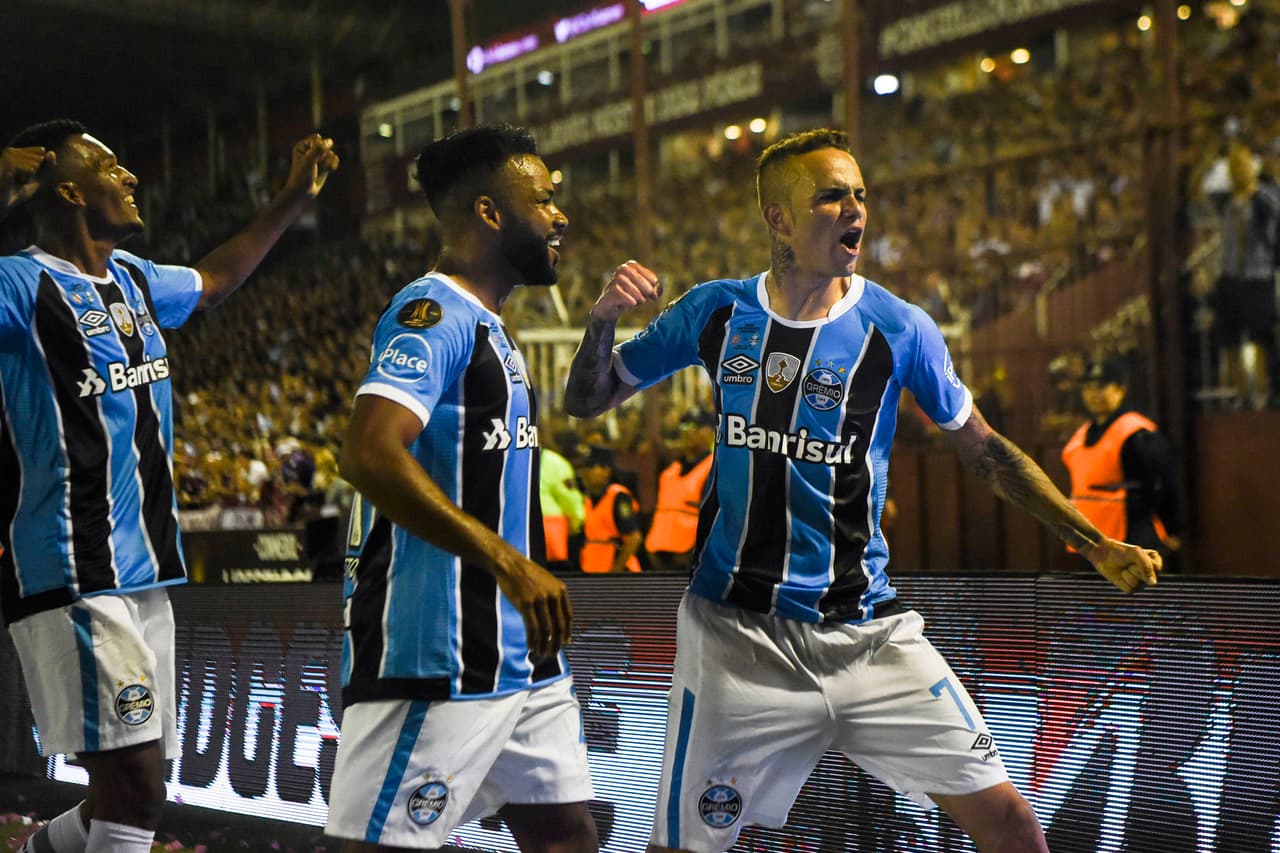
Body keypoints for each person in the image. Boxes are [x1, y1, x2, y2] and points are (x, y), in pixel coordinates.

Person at [564, 128, 1161, 853]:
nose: (855, 209)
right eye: (831, 195)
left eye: (860, 194)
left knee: (1010, 823)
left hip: (869, 635)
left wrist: (1092, 540)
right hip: (735, 638)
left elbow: (989, 455)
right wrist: (601, 319)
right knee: (681, 848)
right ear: (779, 219)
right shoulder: (715, 312)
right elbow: (588, 399)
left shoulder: (899, 328)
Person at [0, 120, 338, 853]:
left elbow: (215, 282)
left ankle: (32, 849)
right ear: (67, 191)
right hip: (72, 566)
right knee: (139, 785)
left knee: (131, 787)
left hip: (147, 567)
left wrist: (287, 200)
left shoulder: (134, 281)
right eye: (111, 167)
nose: (130, 178)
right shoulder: (18, 284)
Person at [324, 124, 597, 853]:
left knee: (568, 835)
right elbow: (369, 452)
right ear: (488, 212)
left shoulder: (491, 326)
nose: (559, 214)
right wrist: (509, 561)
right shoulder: (433, 312)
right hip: (437, 651)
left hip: (523, 655)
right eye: (542, 199)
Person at [1063, 358, 1183, 562]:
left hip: (1132, 538)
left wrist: (1173, 529)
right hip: (1089, 543)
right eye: (1088, 388)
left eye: (1101, 387)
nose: (1094, 394)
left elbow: (1165, 484)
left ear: (1120, 389)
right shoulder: (1081, 435)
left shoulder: (1136, 433)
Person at [1212, 140, 1280, 408]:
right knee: (1230, 340)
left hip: (1257, 278)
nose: (1236, 171)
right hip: (1229, 278)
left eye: (1241, 164)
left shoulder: (1265, 197)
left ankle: (1265, 392)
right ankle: (1240, 395)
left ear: (1252, 167)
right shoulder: (1228, 203)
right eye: (1232, 166)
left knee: (1261, 338)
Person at [644, 415, 715, 573]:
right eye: (684, 427)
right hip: (659, 554)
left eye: (696, 427)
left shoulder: (715, 466)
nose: (689, 432)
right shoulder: (670, 471)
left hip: (692, 556)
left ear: (711, 432)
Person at [578, 444, 643, 573]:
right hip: (592, 569)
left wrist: (615, 572)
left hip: (619, 571)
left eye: (591, 467)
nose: (585, 472)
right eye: (584, 467)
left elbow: (633, 538)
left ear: (606, 470)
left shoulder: (618, 496)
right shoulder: (585, 497)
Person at [541, 438, 586, 573]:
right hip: (551, 532)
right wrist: (577, 522)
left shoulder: (510, 457)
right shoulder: (555, 462)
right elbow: (569, 498)